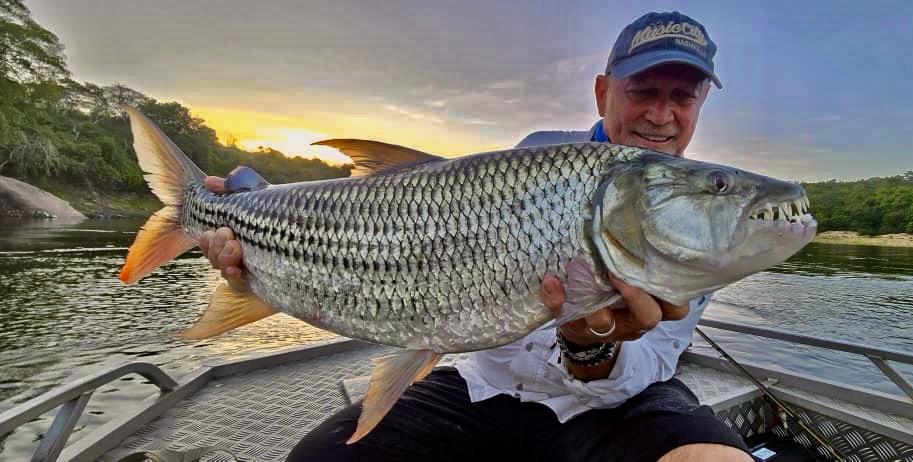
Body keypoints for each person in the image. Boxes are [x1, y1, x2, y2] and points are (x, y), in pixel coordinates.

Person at [199, 11, 752, 462]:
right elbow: (411, 228)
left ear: (699, 105)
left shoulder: (693, 212)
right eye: (643, 89)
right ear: (604, 91)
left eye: (682, 97)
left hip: (617, 408)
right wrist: (255, 229)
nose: (661, 114)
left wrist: (592, 345)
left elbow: (652, 363)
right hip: (485, 384)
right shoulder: (537, 153)